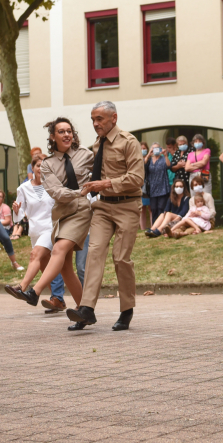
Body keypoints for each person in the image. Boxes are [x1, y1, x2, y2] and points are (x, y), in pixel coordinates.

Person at [66, 101, 146, 331]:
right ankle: (86, 310)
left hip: (128, 206)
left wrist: (106, 183)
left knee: (121, 259)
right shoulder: (96, 144)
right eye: (93, 119)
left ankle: (126, 310)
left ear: (114, 118)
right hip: (102, 206)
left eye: (99, 119)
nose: (95, 123)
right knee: (94, 252)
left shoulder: (128, 142)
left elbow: (137, 178)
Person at [5, 117, 93, 323]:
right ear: (52, 137)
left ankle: (34, 292)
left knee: (58, 250)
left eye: (69, 131)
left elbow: (101, 169)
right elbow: (57, 193)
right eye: (61, 131)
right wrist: (81, 190)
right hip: (61, 212)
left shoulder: (86, 155)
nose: (66, 134)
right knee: (66, 267)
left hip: (81, 209)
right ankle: (85, 312)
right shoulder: (47, 165)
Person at [9, 157, 62, 310]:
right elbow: (19, 214)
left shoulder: (53, 186)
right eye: (38, 165)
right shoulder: (23, 188)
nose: (41, 168)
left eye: (45, 166)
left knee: (34, 255)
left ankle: (22, 287)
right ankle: (58, 299)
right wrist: (16, 211)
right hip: (35, 231)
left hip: (51, 228)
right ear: (32, 169)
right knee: (46, 267)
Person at [145, 141, 170, 225]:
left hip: (163, 187)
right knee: (154, 208)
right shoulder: (149, 160)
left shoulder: (163, 158)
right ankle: (154, 227)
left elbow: (168, 166)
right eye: (154, 148)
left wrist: (165, 155)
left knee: (161, 208)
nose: (156, 150)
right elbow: (142, 166)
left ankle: (161, 227)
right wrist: (148, 154)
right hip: (152, 188)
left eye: (157, 148)